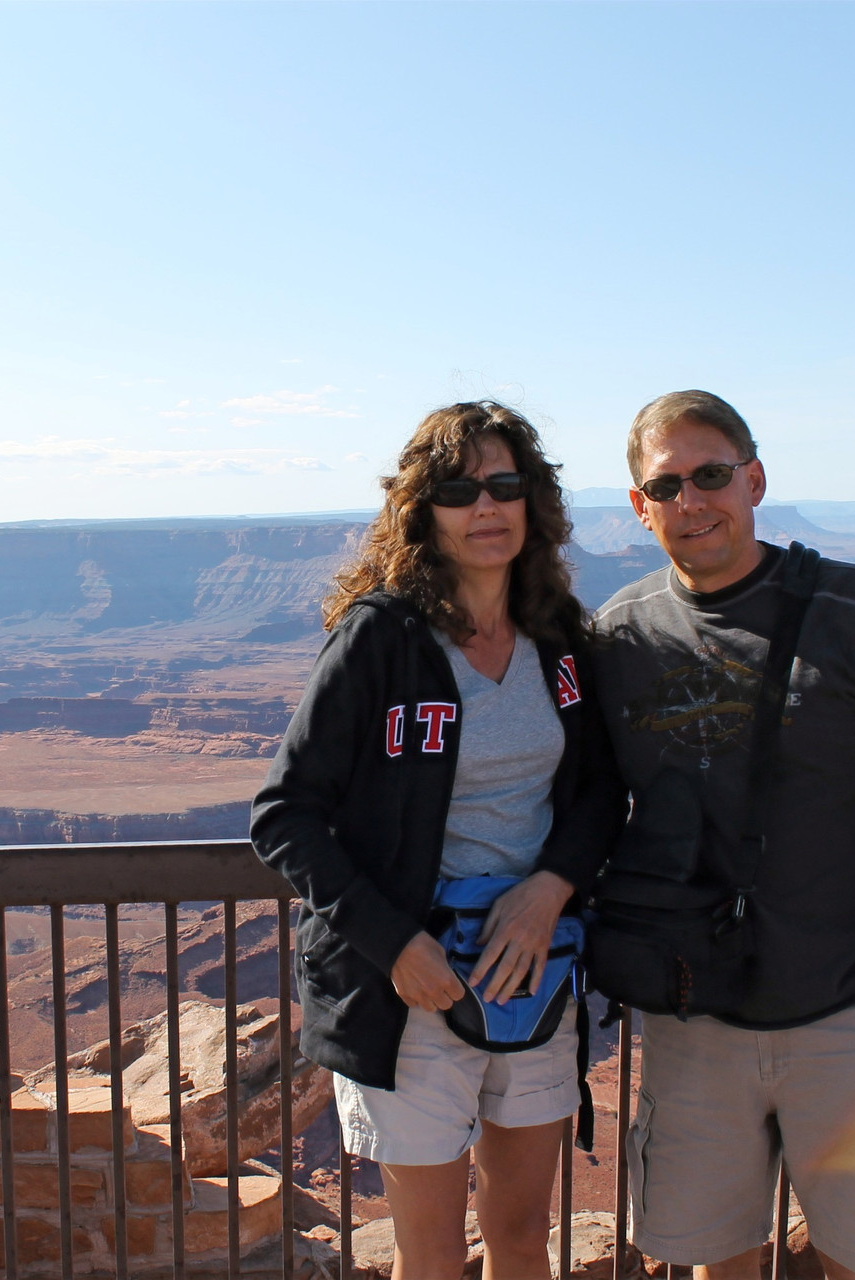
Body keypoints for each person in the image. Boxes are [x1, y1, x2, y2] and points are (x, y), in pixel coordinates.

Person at [590, 390, 855, 1280]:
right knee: (717, 1264)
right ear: (639, 509)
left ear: (754, 480)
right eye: (666, 484)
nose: (692, 500)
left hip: (846, 1012)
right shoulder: (620, 636)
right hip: (694, 1024)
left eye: (711, 475)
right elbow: (588, 809)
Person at [252, 401, 623, 1280]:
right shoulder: (382, 639)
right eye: (460, 489)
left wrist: (550, 889)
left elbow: (605, 788)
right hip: (410, 990)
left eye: (506, 485)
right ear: (424, 507)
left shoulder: (557, 634)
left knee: (523, 1237)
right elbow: (285, 812)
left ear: (533, 501)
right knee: (430, 1252)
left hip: (534, 970)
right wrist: (396, 946)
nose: (486, 507)